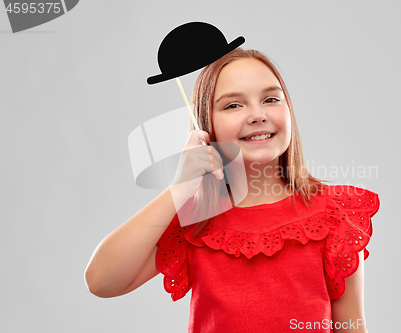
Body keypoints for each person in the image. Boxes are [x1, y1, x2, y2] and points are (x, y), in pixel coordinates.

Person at [84, 48, 380, 333]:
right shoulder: (194, 220)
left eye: (271, 99)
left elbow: (352, 326)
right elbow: (101, 281)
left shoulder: (335, 212)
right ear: (205, 124)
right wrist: (179, 189)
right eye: (233, 105)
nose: (257, 114)